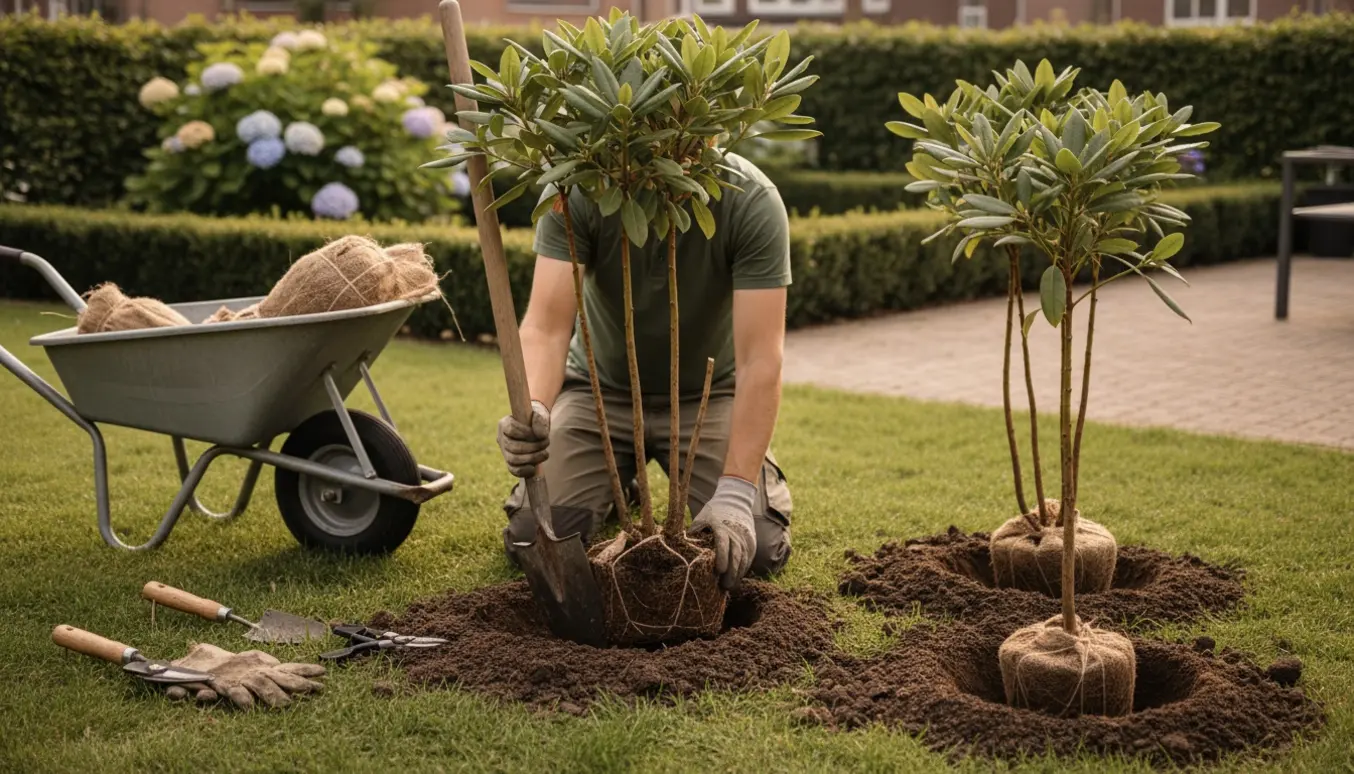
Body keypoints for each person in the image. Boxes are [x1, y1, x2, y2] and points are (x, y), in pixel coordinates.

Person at [495, 152, 794, 591]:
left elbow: (760, 359)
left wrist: (733, 493)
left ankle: (735, 485)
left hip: (706, 399)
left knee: (758, 549)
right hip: (599, 393)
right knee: (531, 534)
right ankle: (617, 483)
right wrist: (535, 406)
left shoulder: (749, 199)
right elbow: (546, 327)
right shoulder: (577, 188)